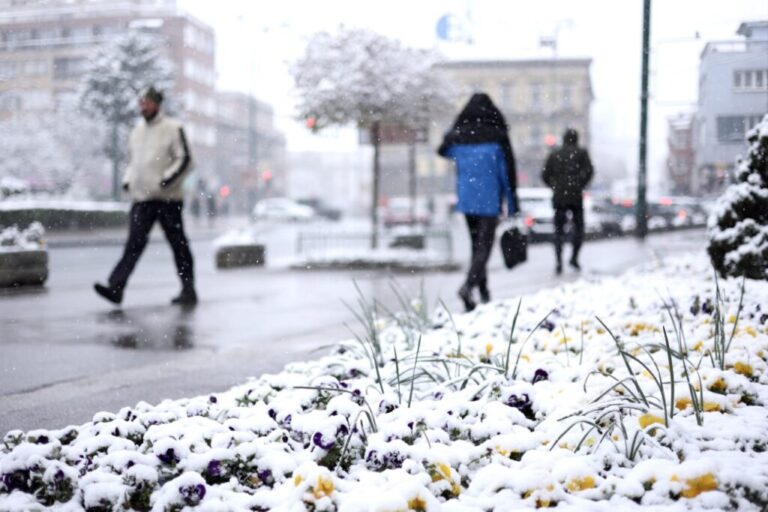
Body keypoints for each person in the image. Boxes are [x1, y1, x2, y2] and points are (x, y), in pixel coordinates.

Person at [94, 86, 198, 306]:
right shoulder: (137, 131)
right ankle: (116, 287)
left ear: (157, 104)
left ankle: (188, 289)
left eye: (146, 102)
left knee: (178, 245)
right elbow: (134, 163)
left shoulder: (173, 128)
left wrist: (166, 180)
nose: (143, 106)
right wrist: (127, 181)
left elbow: (185, 159)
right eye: (140, 103)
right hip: (142, 199)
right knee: (133, 244)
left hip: (169, 199)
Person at [438, 92, 518, 312]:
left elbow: (442, 149)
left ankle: (483, 292)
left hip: (467, 199)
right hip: (490, 199)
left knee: (476, 246)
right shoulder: (497, 138)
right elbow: (507, 172)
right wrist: (512, 204)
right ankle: (468, 286)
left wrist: (455, 129)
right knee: (484, 247)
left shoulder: (460, 140)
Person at [541, 128, 594, 275]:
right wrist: (580, 184)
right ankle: (574, 258)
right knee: (579, 228)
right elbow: (589, 171)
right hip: (576, 197)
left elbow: (545, 174)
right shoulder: (581, 153)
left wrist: (555, 186)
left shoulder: (555, 154)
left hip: (559, 198)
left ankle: (558, 261)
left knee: (558, 230)